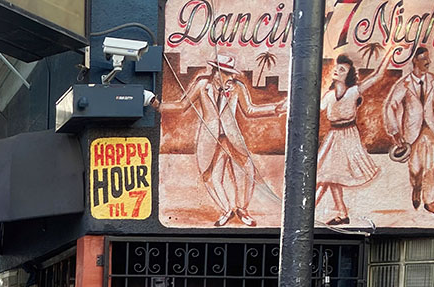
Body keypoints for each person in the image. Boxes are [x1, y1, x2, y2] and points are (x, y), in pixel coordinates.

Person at [162, 54, 287, 227]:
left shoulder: (236, 87)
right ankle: (227, 210)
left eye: (231, 74)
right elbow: (182, 105)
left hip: (232, 136)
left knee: (247, 171)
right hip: (210, 137)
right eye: (227, 74)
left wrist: (276, 108)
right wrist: (156, 105)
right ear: (216, 72)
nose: (230, 77)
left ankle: (242, 210)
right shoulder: (202, 85)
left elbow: (250, 110)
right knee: (211, 176)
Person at [316, 53, 387, 225]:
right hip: (333, 136)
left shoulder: (354, 91)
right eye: (337, 68)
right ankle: (342, 214)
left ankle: (307, 211)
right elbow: (315, 109)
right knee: (329, 176)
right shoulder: (329, 96)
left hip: (348, 136)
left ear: (347, 76)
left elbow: (377, 76)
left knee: (328, 176)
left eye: (342, 70)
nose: (337, 71)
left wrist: (390, 54)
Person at [383, 46, 434, 218]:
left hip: (430, 128)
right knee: (416, 168)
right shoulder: (404, 84)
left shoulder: (433, 81)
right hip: (412, 131)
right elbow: (391, 105)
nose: (428, 62)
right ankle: (416, 186)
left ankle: (430, 201)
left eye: (428, 58)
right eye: (424, 59)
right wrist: (395, 131)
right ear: (415, 61)